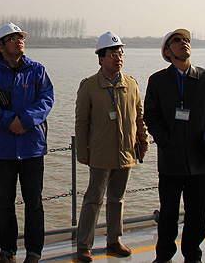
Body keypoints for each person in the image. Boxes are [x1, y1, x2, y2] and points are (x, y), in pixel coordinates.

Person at [143, 28, 205, 263]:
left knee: (197, 214)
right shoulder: (158, 81)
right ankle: (164, 256)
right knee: (168, 213)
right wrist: (165, 141)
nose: (184, 43)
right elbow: (151, 115)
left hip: (198, 158)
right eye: (177, 41)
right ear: (168, 52)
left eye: (186, 40)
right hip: (170, 159)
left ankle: (193, 255)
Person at [0, 22, 54, 263]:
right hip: (3, 150)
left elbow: (47, 100)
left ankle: (34, 253)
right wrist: (9, 121)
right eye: (12, 38)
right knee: (5, 204)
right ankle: (7, 251)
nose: (19, 41)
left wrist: (25, 121)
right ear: (0, 47)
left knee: (34, 204)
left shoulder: (37, 71)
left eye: (20, 37)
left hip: (32, 148)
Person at [74, 32, 149, 263]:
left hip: (126, 153)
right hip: (100, 154)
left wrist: (143, 141)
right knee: (93, 199)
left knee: (117, 199)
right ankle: (84, 245)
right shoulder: (89, 86)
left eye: (120, 53)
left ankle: (114, 240)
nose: (118, 58)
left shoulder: (131, 84)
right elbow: (82, 122)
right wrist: (82, 152)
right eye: (112, 54)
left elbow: (139, 117)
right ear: (100, 58)